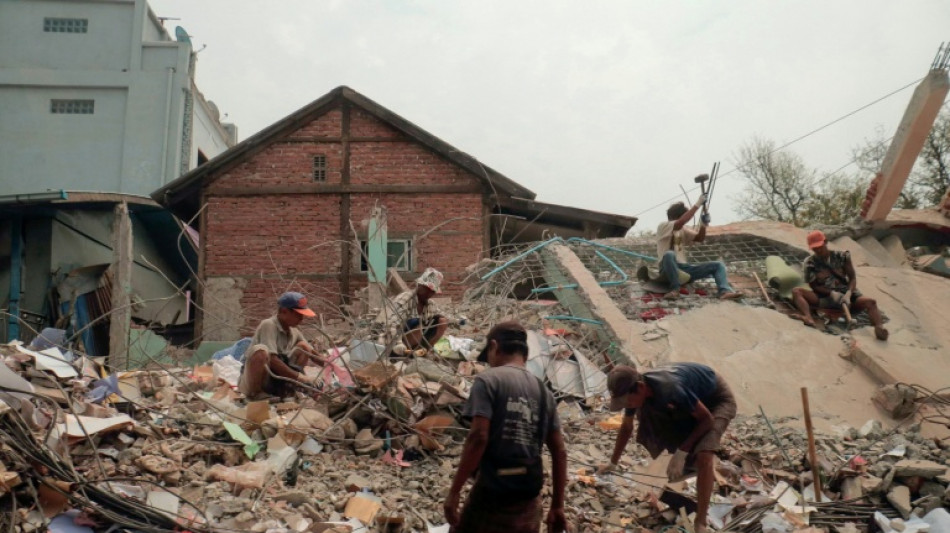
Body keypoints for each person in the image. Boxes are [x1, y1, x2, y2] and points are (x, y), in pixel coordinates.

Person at [444, 321, 568, 533]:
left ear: (494, 346)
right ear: (525, 354)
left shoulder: (488, 380)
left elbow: (478, 437)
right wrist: (557, 505)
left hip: (492, 491)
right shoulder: (543, 391)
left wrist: (454, 491)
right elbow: (560, 451)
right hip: (528, 493)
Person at [598, 363, 737, 533]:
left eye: (626, 400)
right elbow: (627, 427)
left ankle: (700, 522)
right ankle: (688, 464)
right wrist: (613, 463)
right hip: (691, 403)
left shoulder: (670, 389)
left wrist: (682, 452)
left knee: (704, 455)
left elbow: (707, 419)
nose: (627, 405)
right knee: (646, 415)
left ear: (640, 388)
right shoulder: (635, 391)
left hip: (716, 399)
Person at [792, 230, 889, 340]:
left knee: (871, 302)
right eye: (814, 248)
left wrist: (848, 293)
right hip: (825, 298)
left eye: (820, 246)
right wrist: (831, 293)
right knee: (797, 291)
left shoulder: (842, 256)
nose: (818, 250)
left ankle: (879, 328)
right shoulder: (810, 263)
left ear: (826, 242)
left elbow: (852, 278)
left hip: (848, 298)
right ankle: (808, 317)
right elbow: (814, 286)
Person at [238, 291, 326, 399]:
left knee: (304, 347)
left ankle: (288, 390)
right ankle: (257, 394)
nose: (301, 319)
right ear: (284, 311)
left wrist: (332, 365)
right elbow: (273, 360)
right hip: (253, 381)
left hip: (274, 381)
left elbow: (313, 353)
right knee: (261, 351)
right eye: (298, 315)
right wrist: (301, 377)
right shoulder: (268, 325)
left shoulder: (294, 331)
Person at [657, 188, 741, 301]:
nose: (686, 220)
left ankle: (724, 291)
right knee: (669, 254)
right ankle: (674, 289)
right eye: (684, 216)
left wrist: (703, 224)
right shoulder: (663, 226)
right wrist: (698, 204)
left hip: (684, 268)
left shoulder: (682, 230)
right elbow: (681, 222)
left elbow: (699, 238)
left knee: (718, 265)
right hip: (667, 268)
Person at [384, 267, 450, 355]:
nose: (429, 293)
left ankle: (424, 352)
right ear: (419, 285)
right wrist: (399, 343)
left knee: (442, 321)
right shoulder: (405, 299)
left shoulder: (430, 304)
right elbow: (392, 323)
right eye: (427, 289)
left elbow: (443, 317)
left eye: (432, 291)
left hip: (418, 341)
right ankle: (406, 353)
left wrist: (457, 321)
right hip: (399, 341)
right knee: (418, 324)